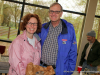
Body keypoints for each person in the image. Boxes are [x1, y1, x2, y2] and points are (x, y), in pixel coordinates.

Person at [39, 2, 77, 75]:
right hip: (41, 68)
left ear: (61, 13)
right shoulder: (43, 28)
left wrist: (69, 71)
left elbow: (73, 52)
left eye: (57, 12)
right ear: (49, 12)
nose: (53, 14)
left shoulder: (69, 29)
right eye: (51, 11)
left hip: (58, 70)